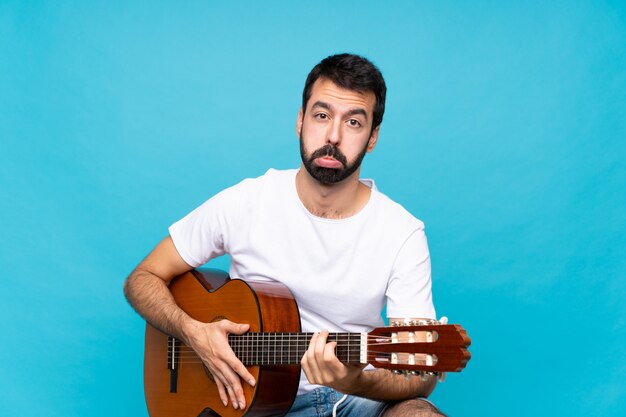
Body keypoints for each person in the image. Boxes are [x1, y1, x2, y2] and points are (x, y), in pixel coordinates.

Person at [124, 53, 447, 417]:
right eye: (321, 116)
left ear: (372, 137)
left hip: (356, 397)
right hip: (249, 401)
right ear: (300, 120)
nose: (333, 136)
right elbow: (142, 278)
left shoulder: (401, 232)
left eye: (354, 122)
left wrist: (352, 381)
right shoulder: (247, 201)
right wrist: (192, 332)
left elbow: (421, 377)